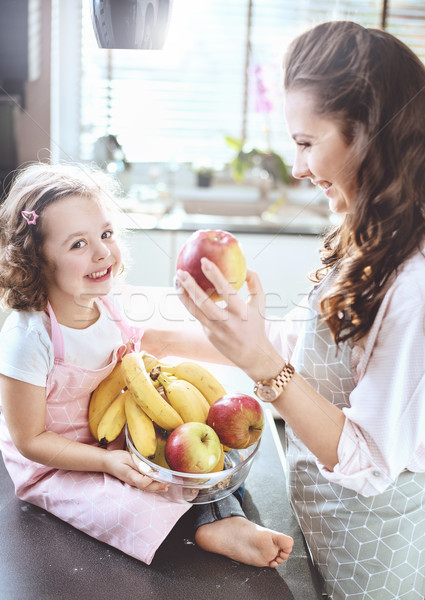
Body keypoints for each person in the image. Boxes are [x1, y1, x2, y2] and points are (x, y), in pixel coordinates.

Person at [175, 21, 425, 600]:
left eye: (307, 143)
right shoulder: (364, 236)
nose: (297, 167)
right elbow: (304, 352)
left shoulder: (413, 280)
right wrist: (151, 335)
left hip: (372, 565)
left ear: (368, 134)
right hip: (320, 531)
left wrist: (260, 363)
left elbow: (367, 459)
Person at [0, 162, 294, 568]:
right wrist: (106, 462)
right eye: (78, 245)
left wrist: (250, 350)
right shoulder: (29, 338)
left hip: (123, 438)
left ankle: (223, 515)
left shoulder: (110, 305)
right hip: (60, 462)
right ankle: (210, 527)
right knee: (126, 505)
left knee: (208, 462)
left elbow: (158, 341)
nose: (103, 251)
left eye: (105, 234)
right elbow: (29, 439)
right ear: (36, 261)